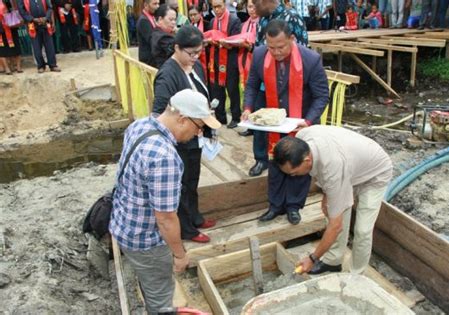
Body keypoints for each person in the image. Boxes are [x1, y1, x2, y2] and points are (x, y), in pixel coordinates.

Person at [109, 89, 221, 314]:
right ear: (181, 118)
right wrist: (180, 255)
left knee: (150, 283)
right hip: (145, 239)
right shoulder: (165, 157)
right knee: (161, 297)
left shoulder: (140, 125)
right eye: (199, 126)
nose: (199, 133)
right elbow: (166, 219)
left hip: (123, 222)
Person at [273, 126, 393, 275]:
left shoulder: (333, 167)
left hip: (374, 173)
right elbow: (325, 174)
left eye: (294, 172)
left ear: (307, 160)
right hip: (349, 166)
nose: (293, 176)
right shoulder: (302, 138)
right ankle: (333, 261)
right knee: (333, 212)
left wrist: (312, 258)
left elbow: (336, 226)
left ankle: (356, 273)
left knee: (362, 230)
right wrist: (327, 194)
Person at [241, 20, 328, 224]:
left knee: (298, 165)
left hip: (301, 121)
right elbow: (252, 84)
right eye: (272, 47)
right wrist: (247, 108)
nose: (276, 52)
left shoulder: (311, 60)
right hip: (273, 121)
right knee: (275, 163)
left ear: (292, 39)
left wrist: (308, 120)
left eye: (281, 47)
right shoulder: (260, 54)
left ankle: (294, 206)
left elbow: (322, 96)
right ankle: (275, 205)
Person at [153, 25, 217, 243]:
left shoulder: (195, 67)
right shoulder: (168, 74)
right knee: (180, 185)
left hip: (195, 136)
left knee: (192, 180)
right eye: (191, 53)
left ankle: (195, 217)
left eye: (199, 52)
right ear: (177, 48)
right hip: (179, 139)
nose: (195, 57)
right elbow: (159, 110)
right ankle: (187, 229)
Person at [208, 0, 242, 127]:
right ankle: (220, 117)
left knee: (232, 90)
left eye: (219, 6)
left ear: (224, 5)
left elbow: (237, 41)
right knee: (216, 90)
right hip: (215, 60)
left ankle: (236, 117)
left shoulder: (234, 20)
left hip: (230, 60)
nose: (217, 10)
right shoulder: (212, 21)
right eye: (214, 7)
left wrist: (225, 43)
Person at [236, 0, 259, 137]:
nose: (252, 10)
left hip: (255, 62)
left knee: (256, 93)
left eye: (255, 7)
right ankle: (249, 125)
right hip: (244, 61)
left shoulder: (262, 24)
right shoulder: (244, 24)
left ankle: (257, 126)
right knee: (247, 92)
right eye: (250, 6)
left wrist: (249, 47)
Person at [19, 0, 61, 73]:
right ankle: (41, 66)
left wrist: (46, 18)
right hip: (32, 25)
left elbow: (50, 8)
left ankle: (53, 65)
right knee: (36, 47)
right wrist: (32, 19)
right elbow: (22, 11)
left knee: (49, 46)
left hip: (45, 23)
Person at [150, 4, 176, 68]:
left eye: (175, 19)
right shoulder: (164, 37)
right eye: (170, 19)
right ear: (160, 19)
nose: (174, 22)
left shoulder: (155, 32)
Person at [0, 0, 22, 74]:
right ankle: (7, 68)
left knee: (15, 45)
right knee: (2, 48)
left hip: (11, 24)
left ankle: (18, 67)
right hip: (1, 27)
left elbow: (15, 10)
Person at [136, 0, 159, 66]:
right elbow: (153, 40)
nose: (157, 6)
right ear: (146, 5)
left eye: (158, 3)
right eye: (154, 4)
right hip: (148, 60)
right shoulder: (143, 20)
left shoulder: (152, 17)